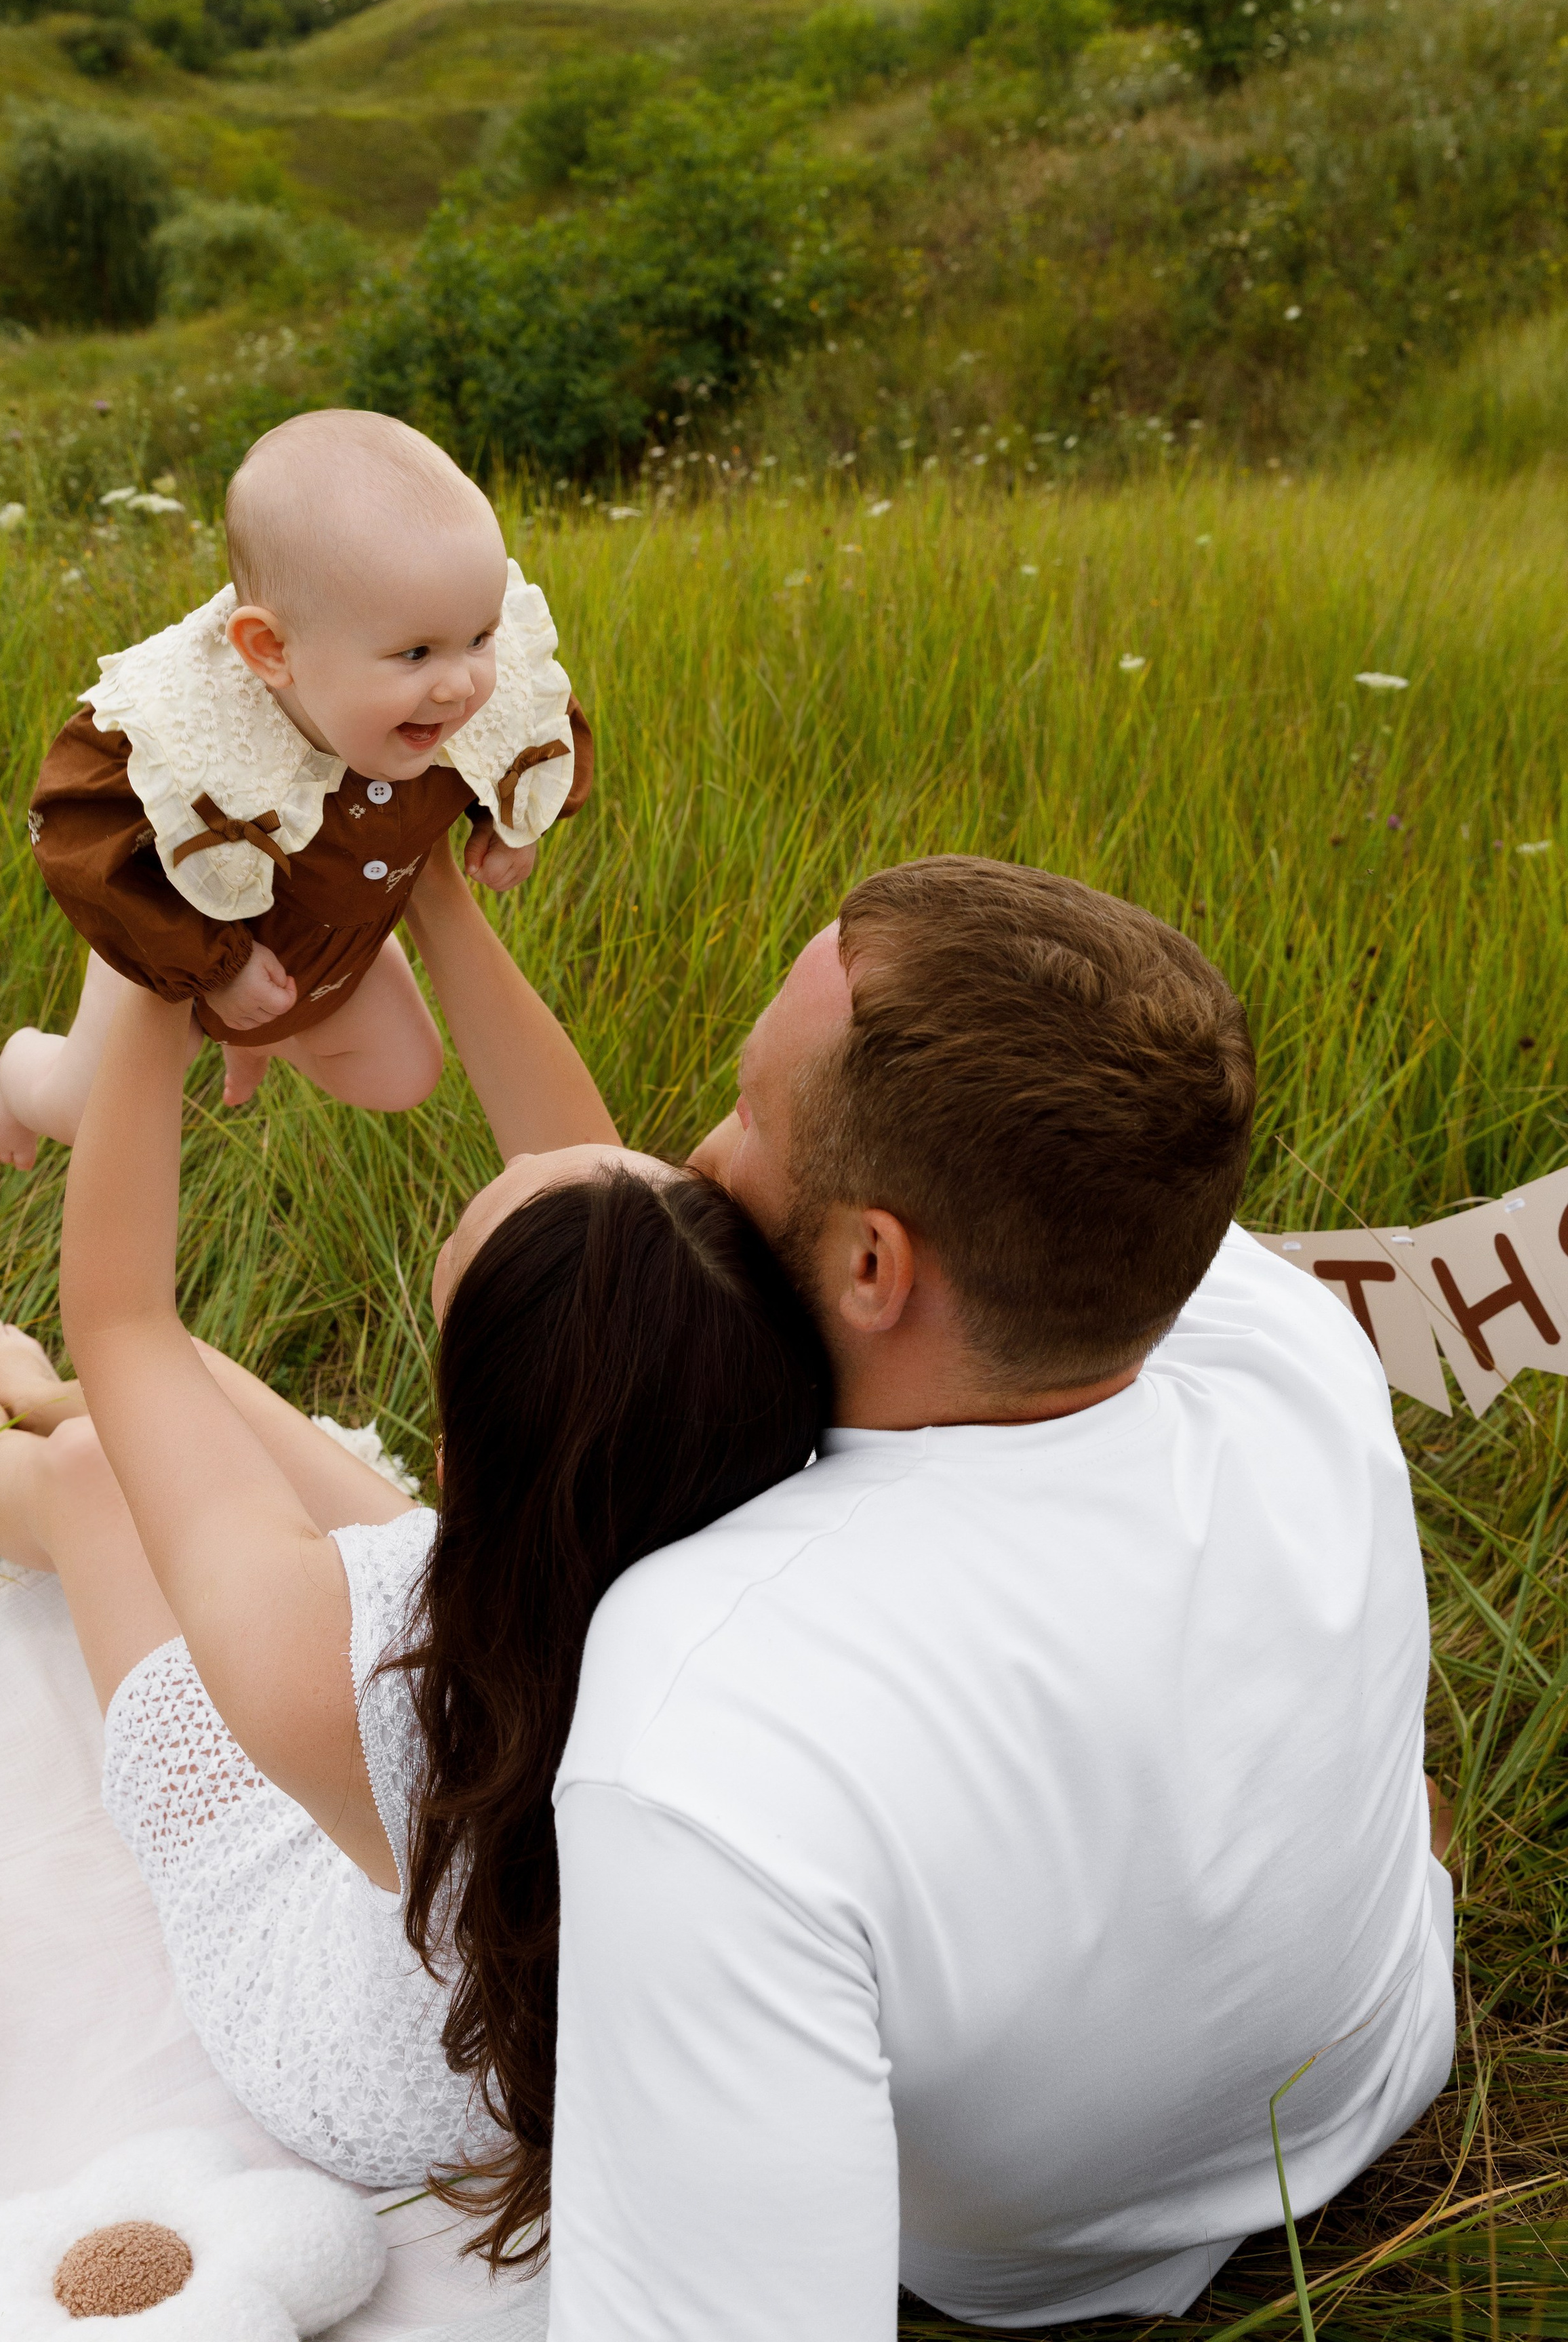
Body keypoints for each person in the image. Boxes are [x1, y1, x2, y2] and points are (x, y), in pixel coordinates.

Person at [0, 830, 828, 2267]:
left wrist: (149, 968)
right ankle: (47, 1420)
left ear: (459, 1458)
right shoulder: (746, 1487)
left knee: (97, 1461)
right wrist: (419, 879)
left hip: (335, 2006)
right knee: (202, 1400)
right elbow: (587, 1191)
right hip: (492, 1800)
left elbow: (118, 1317)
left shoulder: (333, 1669)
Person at [545, 855, 1457, 2335]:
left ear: (868, 1260)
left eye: (748, 1114)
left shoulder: (711, 1687)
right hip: (1378, 2062)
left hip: (1040, 2270)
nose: (699, 1157)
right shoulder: (1278, 1336)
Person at [0, 409, 592, 1169]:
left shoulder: (457, 694)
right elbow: (81, 837)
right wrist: (216, 969)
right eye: (417, 652)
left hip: (323, 948)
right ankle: (18, 1071)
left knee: (402, 1074)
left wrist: (505, 821)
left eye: (480, 637)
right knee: (83, 1112)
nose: (460, 684)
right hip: (174, 940)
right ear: (272, 650)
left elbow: (530, 721)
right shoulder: (194, 734)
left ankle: (263, 1041)